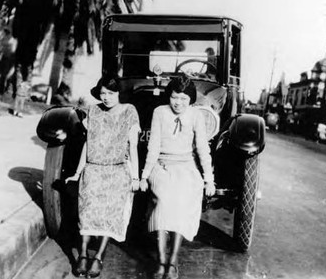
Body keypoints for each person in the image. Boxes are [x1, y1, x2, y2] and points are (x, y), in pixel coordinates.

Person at [140, 75, 216, 279]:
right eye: (175, 97)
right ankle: (161, 261)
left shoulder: (196, 115)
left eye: (183, 99)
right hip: (162, 166)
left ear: (191, 99)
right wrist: (145, 174)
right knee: (164, 201)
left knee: (182, 202)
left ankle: (172, 262)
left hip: (186, 167)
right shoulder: (159, 112)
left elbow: (202, 148)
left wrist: (209, 178)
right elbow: (153, 146)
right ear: (169, 96)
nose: (178, 103)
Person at [65, 77, 142, 278]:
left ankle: (98, 256)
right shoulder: (93, 110)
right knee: (87, 211)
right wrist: (77, 172)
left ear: (119, 94)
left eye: (111, 93)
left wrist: (135, 177)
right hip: (93, 168)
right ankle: (82, 253)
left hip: (117, 170)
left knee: (109, 216)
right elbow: (87, 144)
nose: (106, 98)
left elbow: (132, 146)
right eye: (103, 93)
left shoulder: (129, 111)